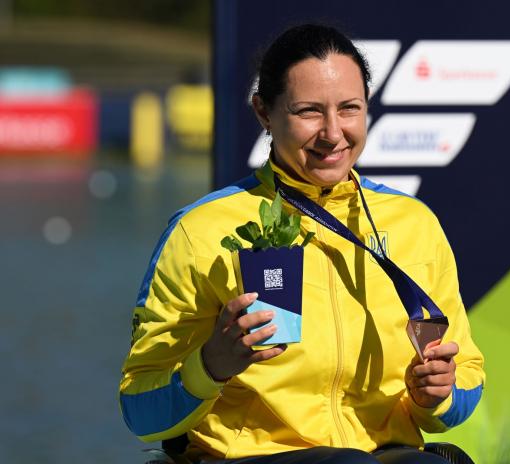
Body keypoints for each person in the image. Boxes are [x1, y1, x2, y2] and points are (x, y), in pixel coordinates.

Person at [120, 24, 485, 464]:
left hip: (381, 454)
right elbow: (141, 411)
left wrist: (436, 396)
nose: (333, 134)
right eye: (309, 112)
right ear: (264, 113)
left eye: (349, 109)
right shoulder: (198, 232)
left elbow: (466, 377)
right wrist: (210, 365)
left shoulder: (414, 223)